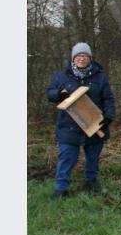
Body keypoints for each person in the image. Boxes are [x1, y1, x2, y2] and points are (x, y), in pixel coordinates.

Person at [46, 42, 115, 198]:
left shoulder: (100, 77)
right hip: (68, 127)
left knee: (93, 158)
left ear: (89, 58)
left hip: (94, 125)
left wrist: (108, 116)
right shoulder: (61, 75)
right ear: (73, 58)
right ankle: (61, 189)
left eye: (85, 56)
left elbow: (108, 99)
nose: (81, 59)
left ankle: (91, 183)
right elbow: (50, 93)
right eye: (78, 56)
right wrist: (59, 94)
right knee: (66, 158)